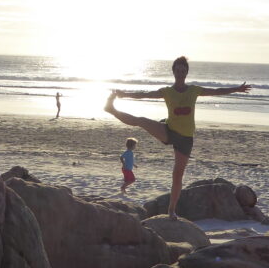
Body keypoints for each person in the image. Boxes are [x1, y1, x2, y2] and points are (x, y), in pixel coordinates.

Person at [105, 56, 251, 219]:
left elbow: (216, 91)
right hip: (169, 130)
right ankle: (112, 109)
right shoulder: (167, 92)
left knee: (177, 175)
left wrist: (236, 89)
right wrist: (125, 94)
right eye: (178, 70)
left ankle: (171, 210)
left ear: (186, 73)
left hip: (186, 139)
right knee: (141, 121)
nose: (180, 73)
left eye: (183, 70)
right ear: (173, 72)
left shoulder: (194, 90)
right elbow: (145, 94)